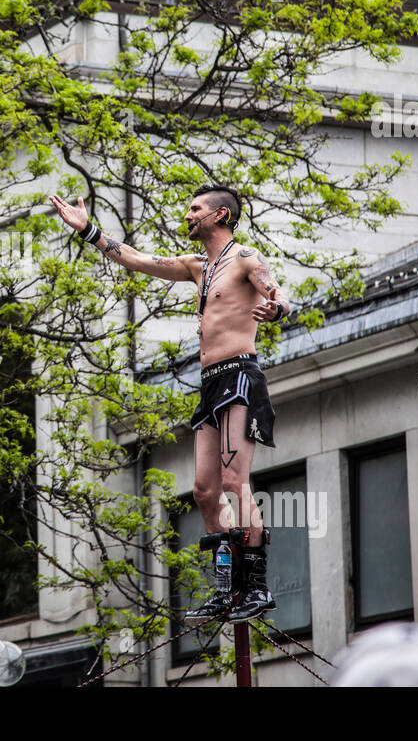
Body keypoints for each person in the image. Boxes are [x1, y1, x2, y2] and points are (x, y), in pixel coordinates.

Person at [48, 185, 288, 622]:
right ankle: (224, 586)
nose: (188, 214)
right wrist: (88, 231)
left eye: (195, 208)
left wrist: (276, 309)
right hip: (211, 383)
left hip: (240, 376)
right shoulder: (198, 267)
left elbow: (276, 292)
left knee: (236, 482)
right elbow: (138, 260)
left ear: (220, 216)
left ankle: (256, 587)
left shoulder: (245, 258)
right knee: (204, 491)